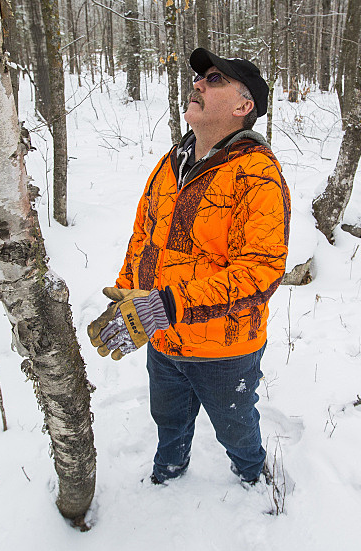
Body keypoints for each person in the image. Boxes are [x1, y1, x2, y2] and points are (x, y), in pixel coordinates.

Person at [88, 47, 290, 486]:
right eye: (201, 78)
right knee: (168, 418)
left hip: (225, 350)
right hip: (163, 338)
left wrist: (166, 305)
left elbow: (260, 272)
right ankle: (170, 469)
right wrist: (129, 295)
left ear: (244, 106)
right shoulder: (170, 163)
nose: (198, 83)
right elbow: (145, 238)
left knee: (235, 427)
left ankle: (253, 476)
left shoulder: (257, 175)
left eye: (215, 80)